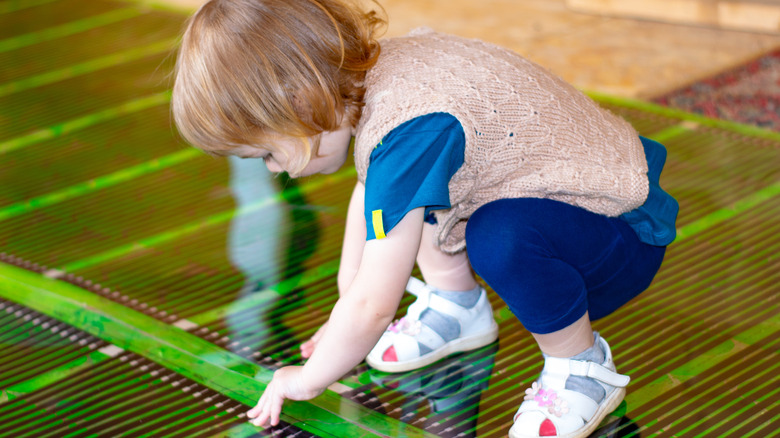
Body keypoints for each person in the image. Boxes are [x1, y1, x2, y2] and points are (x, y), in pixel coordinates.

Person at [171, 0, 679, 437]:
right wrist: (341, 313)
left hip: (621, 230)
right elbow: (376, 205)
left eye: (266, 153)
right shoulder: (377, 84)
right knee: (416, 202)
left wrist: (307, 378)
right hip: (578, 210)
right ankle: (458, 306)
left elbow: (375, 303)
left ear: (297, 99)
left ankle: (581, 367)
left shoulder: (410, 124)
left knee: (498, 236)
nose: (275, 170)